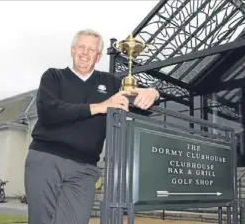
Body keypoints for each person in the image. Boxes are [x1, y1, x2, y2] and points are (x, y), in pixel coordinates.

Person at [24, 29, 159, 224]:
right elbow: (49, 112)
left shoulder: (111, 82)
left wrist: (153, 93)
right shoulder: (53, 76)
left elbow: (145, 108)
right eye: (81, 47)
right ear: (72, 50)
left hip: (84, 168)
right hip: (46, 159)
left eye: (91, 49)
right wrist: (99, 107)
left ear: (98, 56)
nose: (85, 53)